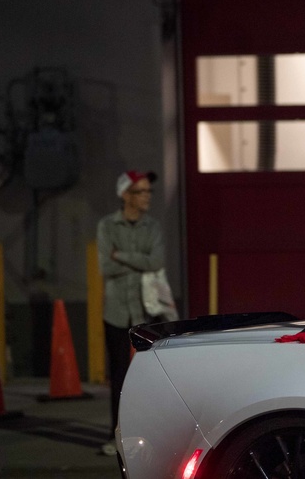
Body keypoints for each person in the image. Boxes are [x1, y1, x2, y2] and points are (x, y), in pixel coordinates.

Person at [96, 169, 166, 456]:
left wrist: (121, 255)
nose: (147, 196)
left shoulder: (153, 227)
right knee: (119, 377)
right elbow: (105, 267)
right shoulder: (107, 226)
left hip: (146, 311)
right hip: (116, 311)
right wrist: (139, 261)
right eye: (141, 192)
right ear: (125, 194)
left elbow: (156, 261)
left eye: (149, 191)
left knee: (150, 376)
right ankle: (117, 435)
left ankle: (150, 433)